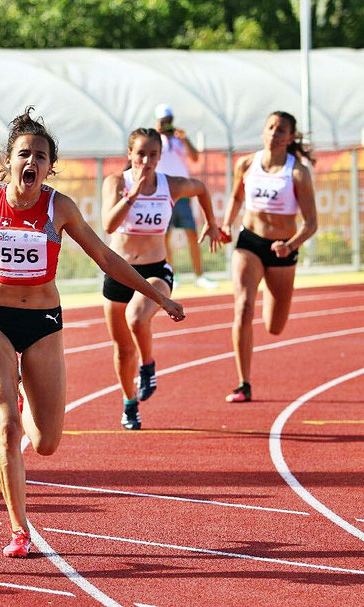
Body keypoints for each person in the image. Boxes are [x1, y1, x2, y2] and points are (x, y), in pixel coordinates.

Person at [0, 109, 186, 558]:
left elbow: (108, 258)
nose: (32, 162)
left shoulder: (59, 207)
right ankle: (19, 530)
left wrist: (158, 296)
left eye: (41, 156)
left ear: (51, 166)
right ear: (8, 161)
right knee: (6, 428)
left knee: (46, 443)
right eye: (23, 154)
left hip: (44, 322)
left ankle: (27, 399)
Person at [102, 127, 223, 430]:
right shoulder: (117, 183)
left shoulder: (171, 185)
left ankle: (148, 366)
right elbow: (108, 225)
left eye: (153, 154)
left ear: (160, 156)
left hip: (156, 270)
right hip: (119, 271)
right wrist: (132, 195)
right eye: (140, 153)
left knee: (136, 318)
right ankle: (130, 403)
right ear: (129, 154)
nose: (146, 160)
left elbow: (202, 188)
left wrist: (210, 222)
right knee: (121, 348)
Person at [220, 111, 317, 403]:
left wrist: (291, 245)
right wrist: (226, 224)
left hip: (282, 248)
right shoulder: (247, 164)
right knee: (243, 306)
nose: (274, 132)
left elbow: (311, 223)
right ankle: (243, 383)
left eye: (281, 129)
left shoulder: (297, 172)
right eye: (270, 127)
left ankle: (269, 302)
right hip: (249, 241)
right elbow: (237, 197)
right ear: (263, 131)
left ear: (290, 137)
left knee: (275, 326)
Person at [154, 104, 218, 291]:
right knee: (164, 237)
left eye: (169, 121)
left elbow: (195, 157)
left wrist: (184, 138)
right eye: (163, 121)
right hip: (162, 195)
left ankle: (200, 276)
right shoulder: (154, 140)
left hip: (181, 194)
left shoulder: (180, 140)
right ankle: (171, 275)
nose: (166, 124)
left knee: (192, 233)